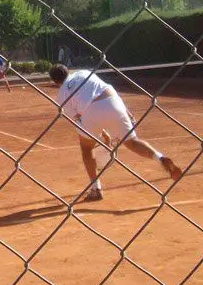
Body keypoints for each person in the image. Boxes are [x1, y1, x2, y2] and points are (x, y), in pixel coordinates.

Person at [49, 63, 183, 202]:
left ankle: (96, 189)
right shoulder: (83, 72)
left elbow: (79, 119)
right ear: (68, 71)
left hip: (90, 111)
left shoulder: (61, 95)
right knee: (132, 142)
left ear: (56, 82)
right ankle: (160, 158)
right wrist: (126, 111)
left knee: (86, 148)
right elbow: (107, 88)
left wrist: (102, 135)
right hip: (113, 101)